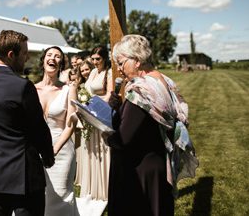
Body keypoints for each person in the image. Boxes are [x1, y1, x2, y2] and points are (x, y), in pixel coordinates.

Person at [106, 34, 197, 215]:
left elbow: (123, 140)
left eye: (121, 62)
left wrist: (105, 133)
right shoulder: (164, 81)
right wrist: (118, 108)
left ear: (137, 60)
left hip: (140, 173)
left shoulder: (141, 92)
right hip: (159, 165)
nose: (119, 69)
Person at [0, 30, 54, 215]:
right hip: (24, 175)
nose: (26, 58)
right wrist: (48, 156)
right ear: (11, 55)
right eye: (24, 54)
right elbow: (38, 128)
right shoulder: (22, 86)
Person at [35, 46, 79, 215]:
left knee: (61, 196)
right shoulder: (31, 89)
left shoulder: (69, 90)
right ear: (43, 60)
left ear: (61, 63)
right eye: (49, 55)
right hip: (36, 150)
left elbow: (70, 125)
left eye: (57, 56)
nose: (53, 58)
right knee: (40, 196)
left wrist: (54, 150)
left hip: (61, 151)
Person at [75, 47, 113, 214]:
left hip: (102, 117)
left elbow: (111, 95)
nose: (95, 62)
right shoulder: (92, 73)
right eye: (93, 59)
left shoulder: (109, 73)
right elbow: (87, 90)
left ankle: (106, 189)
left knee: (104, 152)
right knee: (92, 151)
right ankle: (93, 188)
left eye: (98, 59)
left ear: (104, 58)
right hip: (90, 117)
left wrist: (93, 102)